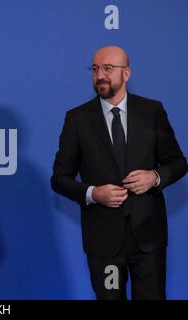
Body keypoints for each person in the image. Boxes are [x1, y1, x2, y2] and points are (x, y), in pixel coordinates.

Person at [51, 46, 187, 300]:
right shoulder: (77, 119)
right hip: (104, 242)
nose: (99, 75)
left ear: (126, 74)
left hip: (148, 239)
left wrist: (154, 177)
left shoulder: (152, 112)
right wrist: (93, 193)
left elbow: (178, 162)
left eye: (108, 68)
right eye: (95, 68)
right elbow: (59, 179)